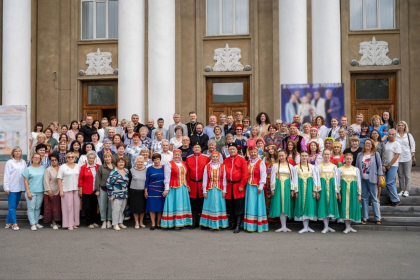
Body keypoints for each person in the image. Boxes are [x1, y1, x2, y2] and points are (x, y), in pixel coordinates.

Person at [161, 149, 193, 229]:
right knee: (175, 204)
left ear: (180, 155)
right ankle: (174, 222)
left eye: (178, 155)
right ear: (173, 156)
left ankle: (183, 221)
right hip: (173, 187)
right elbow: (167, 177)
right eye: (175, 155)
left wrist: (188, 185)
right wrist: (166, 188)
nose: (177, 156)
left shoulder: (184, 163)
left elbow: (186, 176)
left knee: (182, 204)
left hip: (183, 187)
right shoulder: (169, 164)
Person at [356, 139, 382, 225]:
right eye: (366, 143)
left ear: (372, 145)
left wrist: (379, 178)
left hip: (373, 179)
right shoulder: (360, 155)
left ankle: (377, 217)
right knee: (364, 199)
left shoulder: (375, 154)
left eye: (369, 143)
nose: (367, 145)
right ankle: (365, 217)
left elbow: (379, 167)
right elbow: (357, 167)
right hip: (362, 179)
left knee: (374, 198)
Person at [200, 152, 228, 231]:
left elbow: (224, 179)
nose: (215, 158)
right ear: (211, 157)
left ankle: (219, 224)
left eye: (216, 157)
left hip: (220, 189)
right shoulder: (207, 166)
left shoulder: (223, 166)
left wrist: (224, 190)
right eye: (213, 157)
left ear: (219, 157)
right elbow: (205, 179)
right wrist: (204, 191)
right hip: (210, 189)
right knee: (210, 206)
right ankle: (208, 224)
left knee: (219, 206)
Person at [224, 143, 249, 233]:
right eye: (230, 149)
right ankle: (232, 223)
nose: (232, 151)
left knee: (238, 206)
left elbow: (245, 174)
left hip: (238, 186)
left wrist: (242, 185)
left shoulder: (242, 160)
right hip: (228, 186)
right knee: (230, 206)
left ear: (236, 150)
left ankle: (238, 225)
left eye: (233, 149)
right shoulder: (226, 160)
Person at [269, 149, 296, 232]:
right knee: (280, 205)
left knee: (286, 204)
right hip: (278, 185)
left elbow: (293, 178)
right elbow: (272, 177)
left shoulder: (290, 166)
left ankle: (285, 225)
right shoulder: (275, 166)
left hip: (287, 186)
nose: (281, 157)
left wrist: (292, 190)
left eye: (282, 155)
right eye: (280, 156)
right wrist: (272, 188)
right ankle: (282, 225)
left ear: (286, 155)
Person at [243, 147, 269, 233]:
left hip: (257, 186)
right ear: (249, 153)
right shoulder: (248, 162)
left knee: (256, 204)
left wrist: (261, 186)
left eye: (255, 152)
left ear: (257, 153)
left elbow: (263, 175)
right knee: (250, 204)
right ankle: (250, 225)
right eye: (251, 152)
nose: (253, 154)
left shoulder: (260, 163)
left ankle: (258, 225)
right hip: (249, 186)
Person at [293, 151, 319, 233]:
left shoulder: (312, 167)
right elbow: (294, 179)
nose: (304, 157)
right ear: (300, 157)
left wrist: (315, 190)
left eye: (305, 156)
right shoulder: (296, 167)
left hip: (309, 188)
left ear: (308, 157)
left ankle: (307, 226)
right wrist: (296, 190)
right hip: (300, 188)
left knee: (309, 205)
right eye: (302, 156)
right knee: (301, 205)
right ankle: (304, 226)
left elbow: (315, 179)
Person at [186, 143, 210, 229]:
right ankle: (194, 222)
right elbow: (187, 173)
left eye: (198, 147)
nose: (196, 148)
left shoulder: (206, 158)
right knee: (193, 204)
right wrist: (188, 184)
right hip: (192, 183)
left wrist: (206, 186)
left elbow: (208, 172)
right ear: (192, 149)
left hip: (202, 183)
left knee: (202, 204)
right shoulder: (189, 158)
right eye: (195, 147)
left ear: (201, 149)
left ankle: (202, 222)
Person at [337, 153, 362, 233]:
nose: (348, 160)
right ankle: (347, 226)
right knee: (344, 206)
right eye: (347, 159)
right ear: (344, 159)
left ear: (352, 160)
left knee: (352, 206)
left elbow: (358, 182)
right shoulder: (340, 169)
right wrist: (338, 193)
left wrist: (359, 194)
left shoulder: (356, 169)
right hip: (344, 190)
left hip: (353, 190)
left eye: (350, 159)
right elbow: (337, 182)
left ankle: (349, 226)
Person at [317, 149, 340, 233]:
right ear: (322, 155)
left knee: (330, 205)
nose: (326, 156)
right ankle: (325, 226)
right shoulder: (319, 166)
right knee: (323, 205)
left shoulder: (334, 166)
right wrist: (317, 190)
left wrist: (337, 191)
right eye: (325, 154)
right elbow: (316, 179)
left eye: (328, 154)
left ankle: (328, 226)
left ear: (330, 155)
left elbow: (337, 179)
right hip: (322, 188)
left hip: (331, 187)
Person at [3, 147, 26, 230]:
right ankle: (14, 223)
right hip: (11, 187)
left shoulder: (23, 162)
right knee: (12, 206)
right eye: (15, 151)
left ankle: (8, 221)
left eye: (19, 151)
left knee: (14, 206)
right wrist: (6, 187)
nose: (17, 152)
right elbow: (6, 176)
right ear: (13, 153)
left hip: (20, 187)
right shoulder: (9, 162)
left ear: (21, 152)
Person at [57, 152, 81, 230]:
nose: (71, 158)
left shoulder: (78, 166)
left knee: (76, 207)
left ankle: (75, 223)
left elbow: (81, 179)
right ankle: (68, 224)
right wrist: (61, 190)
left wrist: (81, 189)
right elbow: (59, 179)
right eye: (69, 157)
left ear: (75, 158)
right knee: (68, 207)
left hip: (76, 189)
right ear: (66, 158)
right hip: (66, 189)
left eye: (72, 157)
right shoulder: (62, 167)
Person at [22, 153, 46, 231]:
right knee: (31, 208)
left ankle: (36, 222)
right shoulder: (28, 169)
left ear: (40, 159)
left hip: (40, 191)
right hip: (31, 191)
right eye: (35, 157)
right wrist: (28, 192)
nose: (36, 159)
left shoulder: (43, 168)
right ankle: (32, 224)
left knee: (37, 208)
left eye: (38, 158)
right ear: (32, 159)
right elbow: (25, 182)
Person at [78, 151, 100, 229]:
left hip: (95, 190)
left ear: (94, 159)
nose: (91, 159)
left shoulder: (98, 166)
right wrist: (80, 189)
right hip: (86, 190)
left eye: (92, 158)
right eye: (89, 158)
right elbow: (80, 179)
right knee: (87, 207)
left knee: (94, 206)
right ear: (87, 158)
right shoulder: (83, 167)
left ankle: (94, 221)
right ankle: (88, 222)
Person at [107, 158, 130, 230]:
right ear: (116, 163)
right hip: (115, 194)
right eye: (119, 162)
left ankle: (120, 222)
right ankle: (115, 224)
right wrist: (110, 195)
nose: (121, 163)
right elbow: (109, 184)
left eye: (122, 162)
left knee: (122, 209)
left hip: (124, 193)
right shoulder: (113, 172)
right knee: (116, 210)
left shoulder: (126, 171)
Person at [145, 153, 165, 230]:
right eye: (155, 160)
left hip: (161, 190)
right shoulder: (149, 168)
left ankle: (158, 223)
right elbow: (147, 181)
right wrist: (145, 191)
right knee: (152, 207)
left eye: (158, 159)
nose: (156, 161)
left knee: (160, 207)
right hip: (152, 190)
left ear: (160, 160)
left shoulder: (164, 168)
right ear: (152, 160)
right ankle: (153, 223)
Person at [396, 121, 416, 197]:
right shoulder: (395, 135)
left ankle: (407, 190)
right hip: (398, 158)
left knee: (407, 175)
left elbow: (412, 145)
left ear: (405, 127)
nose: (401, 127)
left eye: (402, 125)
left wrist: (413, 155)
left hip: (407, 157)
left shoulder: (408, 135)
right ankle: (401, 190)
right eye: (399, 125)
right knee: (400, 175)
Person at [95, 151, 114, 229]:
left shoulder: (115, 167)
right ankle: (103, 221)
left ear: (111, 158)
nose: (107, 158)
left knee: (110, 206)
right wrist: (97, 190)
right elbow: (98, 179)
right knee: (102, 205)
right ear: (104, 159)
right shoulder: (101, 167)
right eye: (106, 157)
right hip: (103, 188)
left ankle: (109, 220)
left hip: (112, 189)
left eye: (109, 157)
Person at [43, 153, 62, 230]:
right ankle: (53, 223)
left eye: (55, 160)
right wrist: (49, 191)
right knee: (52, 208)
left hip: (59, 191)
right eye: (52, 160)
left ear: (58, 160)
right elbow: (46, 181)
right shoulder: (48, 169)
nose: (54, 161)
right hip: (51, 192)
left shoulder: (61, 168)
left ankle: (57, 222)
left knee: (58, 208)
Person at [128, 156, 148, 229]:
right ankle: (136, 222)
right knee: (135, 208)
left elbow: (147, 181)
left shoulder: (146, 170)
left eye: (141, 162)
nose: (140, 163)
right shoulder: (131, 170)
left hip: (143, 191)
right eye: (138, 162)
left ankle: (141, 222)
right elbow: (129, 182)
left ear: (143, 162)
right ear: (136, 162)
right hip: (133, 191)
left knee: (142, 208)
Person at [384, 129, 401, 206]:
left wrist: (389, 165)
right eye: (389, 134)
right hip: (387, 165)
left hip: (393, 165)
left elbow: (396, 156)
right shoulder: (387, 143)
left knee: (389, 182)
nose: (391, 136)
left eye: (392, 134)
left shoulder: (396, 144)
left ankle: (396, 200)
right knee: (391, 183)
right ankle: (393, 199)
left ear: (395, 135)